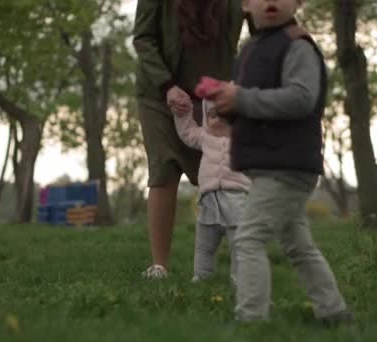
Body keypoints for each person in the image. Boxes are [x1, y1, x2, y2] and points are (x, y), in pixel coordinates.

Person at [207, 0, 353, 325]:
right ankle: (334, 313)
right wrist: (227, 107)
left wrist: (241, 98)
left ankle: (250, 321)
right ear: (245, 4)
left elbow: (301, 98)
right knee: (298, 245)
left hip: (288, 165)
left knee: (248, 237)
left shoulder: (297, 45)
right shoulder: (250, 49)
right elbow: (254, 102)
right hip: (270, 164)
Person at [133, 0, 246, 279]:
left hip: (213, 97)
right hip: (161, 95)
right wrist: (166, 86)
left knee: (224, 174)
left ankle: (241, 261)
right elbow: (143, 38)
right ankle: (160, 265)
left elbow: (259, 25)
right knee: (163, 170)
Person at [172, 99, 250, 283]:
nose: (220, 119)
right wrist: (183, 114)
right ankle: (201, 275)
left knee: (239, 245)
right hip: (209, 202)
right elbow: (187, 132)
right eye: (213, 115)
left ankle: (239, 278)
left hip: (236, 203)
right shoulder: (204, 136)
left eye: (227, 115)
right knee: (204, 246)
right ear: (206, 118)